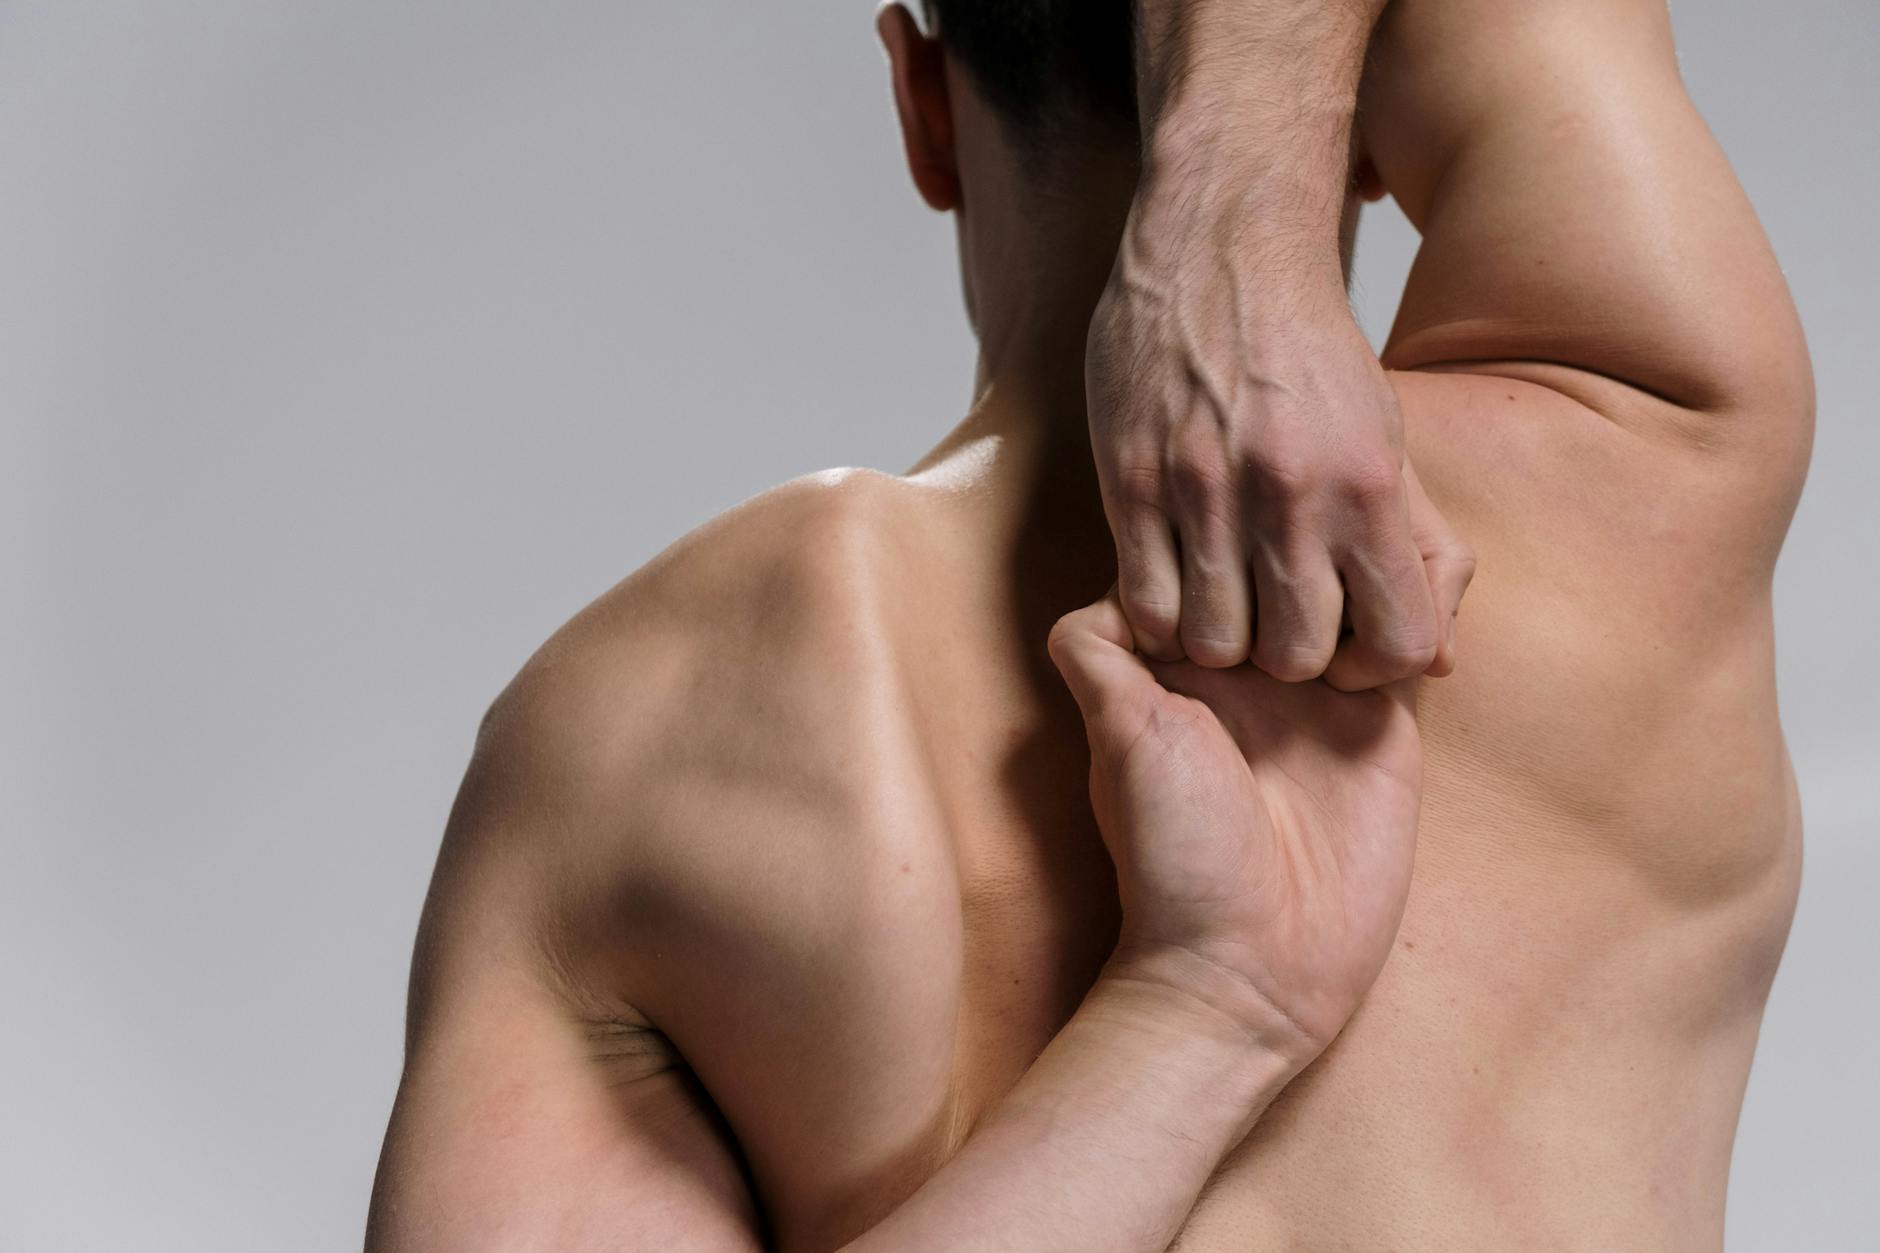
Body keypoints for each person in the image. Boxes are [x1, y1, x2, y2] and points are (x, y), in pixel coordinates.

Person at [365, 0, 1813, 1246]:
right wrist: (1239, 183)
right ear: (1386, 90)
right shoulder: (1651, 441)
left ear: (923, 107)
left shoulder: (621, 729)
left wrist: (1196, 1021)